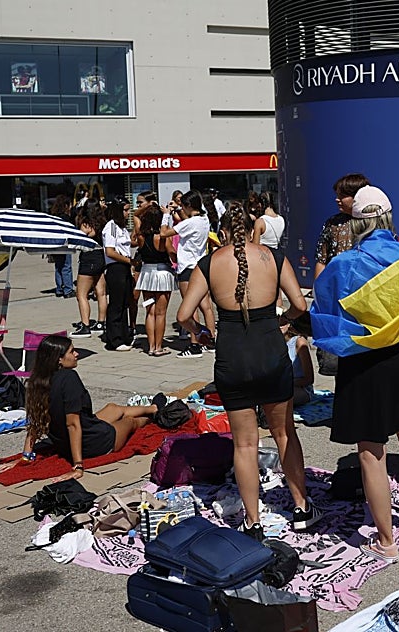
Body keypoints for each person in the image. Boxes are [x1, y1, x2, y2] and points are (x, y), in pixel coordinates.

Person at [310, 185, 399, 562]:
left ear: (355, 224)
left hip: (363, 363)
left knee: (371, 453)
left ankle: (386, 542)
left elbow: (326, 323)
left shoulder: (343, 265)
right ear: (388, 218)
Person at [176, 206, 319, 537]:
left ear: (222, 232)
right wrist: (282, 323)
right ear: (253, 230)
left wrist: (199, 332)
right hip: (270, 352)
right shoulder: (273, 257)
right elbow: (299, 305)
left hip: (232, 359)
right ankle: (301, 507)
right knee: (284, 434)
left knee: (244, 444)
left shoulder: (210, 263)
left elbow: (184, 313)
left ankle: (252, 522)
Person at [23, 336, 164, 480]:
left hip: (81, 431)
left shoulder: (38, 381)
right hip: (93, 443)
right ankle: (151, 417)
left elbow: (34, 421)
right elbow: (72, 425)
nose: (76, 354)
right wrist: (78, 465)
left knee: (113, 408)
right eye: (72, 352)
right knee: (130, 421)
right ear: (58, 359)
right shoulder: (69, 378)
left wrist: (26, 456)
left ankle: (153, 408)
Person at [160, 189, 215, 357]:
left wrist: (166, 215)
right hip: (201, 266)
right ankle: (211, 339)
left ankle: (195, 344)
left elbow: (164, 232)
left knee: (190, 309)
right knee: (206, 306)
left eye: (183, 206)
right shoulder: (204, 220)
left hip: (187, 268)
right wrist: (177, 209)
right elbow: (186, 222)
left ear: (189, 206)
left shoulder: (190, 223)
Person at [134, 204, 175, 356]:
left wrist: (146, 206)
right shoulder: (163, 237)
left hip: (146, 274)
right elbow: (172, 254)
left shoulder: (140, 237)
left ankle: (150, 347)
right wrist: (166, 214)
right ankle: (158, 346)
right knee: (161, 313)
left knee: (149, 312)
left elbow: (136, 216)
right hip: (163, 274)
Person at [313, 173, 369, 280]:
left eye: (343, 196)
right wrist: (317, 290)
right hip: (335, 285)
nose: (337, 199)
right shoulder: (333, 223)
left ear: (357, 196)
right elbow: (321, 260)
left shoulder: (373, 223)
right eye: (337, 195)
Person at [101, 197, 135, 352]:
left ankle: (123, 334)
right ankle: (114, 339)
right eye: (125, 210)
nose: (128, 213)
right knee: (116, 303)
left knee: (124, 303)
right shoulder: (111, 227)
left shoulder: (122, 228)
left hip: (125, 267)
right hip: (116, 268)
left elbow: (130, 243)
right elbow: (110, 251)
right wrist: (129, 261)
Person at [70, 204, 107, 339]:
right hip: (100, 256)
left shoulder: (86, 224)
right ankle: (101, 323)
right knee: (101, 293)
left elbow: (79, 239)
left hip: (89, 257)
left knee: (81, 294)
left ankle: (85, 326)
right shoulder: (103, 223)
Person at [49, 195, 75, 298]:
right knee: (66, 267)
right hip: (64, 244)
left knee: (58, 267)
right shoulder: (66, 218)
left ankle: (59, 289)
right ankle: (68, 290)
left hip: (55, 244)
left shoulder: (53, 216)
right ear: (65, 205)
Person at [284, 323, 315, 407]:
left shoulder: (299, 342)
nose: (280, 325)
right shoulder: (273, 342)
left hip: (300, 387)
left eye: (283, 322)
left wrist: (286, 383)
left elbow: (309, 379)